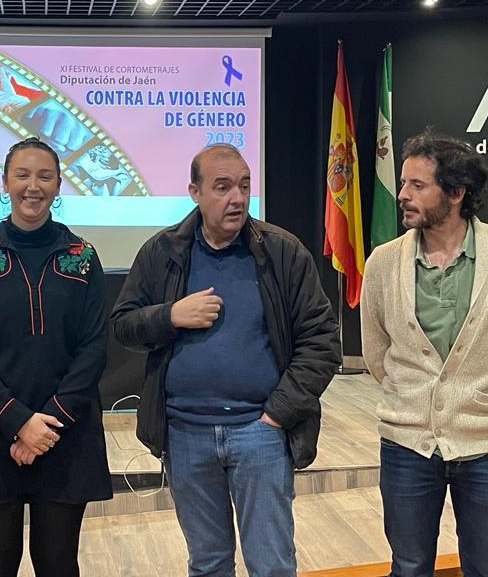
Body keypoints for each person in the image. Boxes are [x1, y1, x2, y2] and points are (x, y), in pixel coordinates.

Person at [111, 143, 340, 577]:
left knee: (271, 563)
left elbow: (322, 339)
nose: (237, 197)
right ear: (194, 191)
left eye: (244, 186)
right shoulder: (162, 253)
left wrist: (278, 414)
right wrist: (170, 315)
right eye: (222, 187)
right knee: (209, 563)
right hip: (184, 434)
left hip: (261, 434)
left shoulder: (282, 252)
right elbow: (123, 324)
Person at [361, 130, 488, 577]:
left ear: (457, 193)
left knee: (486, 567)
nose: (402, 195)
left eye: (417, 186)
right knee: (408, 566)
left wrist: (479, 399)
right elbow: (375, 352)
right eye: (403, 184)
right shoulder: (382, 262)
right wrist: (415, 398)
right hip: (406, 445)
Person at [0, 136, 112, 577]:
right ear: (5, 182)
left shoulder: (84, 258)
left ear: (59, 185)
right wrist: (18, 421)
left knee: (58, 564)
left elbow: (93, 349)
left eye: (44, 176)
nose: (32, 186)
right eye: (22, 174)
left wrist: (46, 424)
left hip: (65, 436)